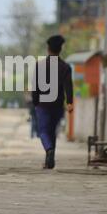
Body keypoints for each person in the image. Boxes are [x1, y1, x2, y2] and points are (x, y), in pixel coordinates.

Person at [32, 35, 73, 169]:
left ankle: (49, 150)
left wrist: (35, 102)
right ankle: (50, 161)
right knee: (52, 132)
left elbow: (35, 86)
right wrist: (69, 102)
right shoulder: (65, 67)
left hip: (43, 105)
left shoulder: (40, 65)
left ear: (48, 48)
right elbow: (68, 86)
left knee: (43, 131)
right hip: (57, 105)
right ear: (60, 49)